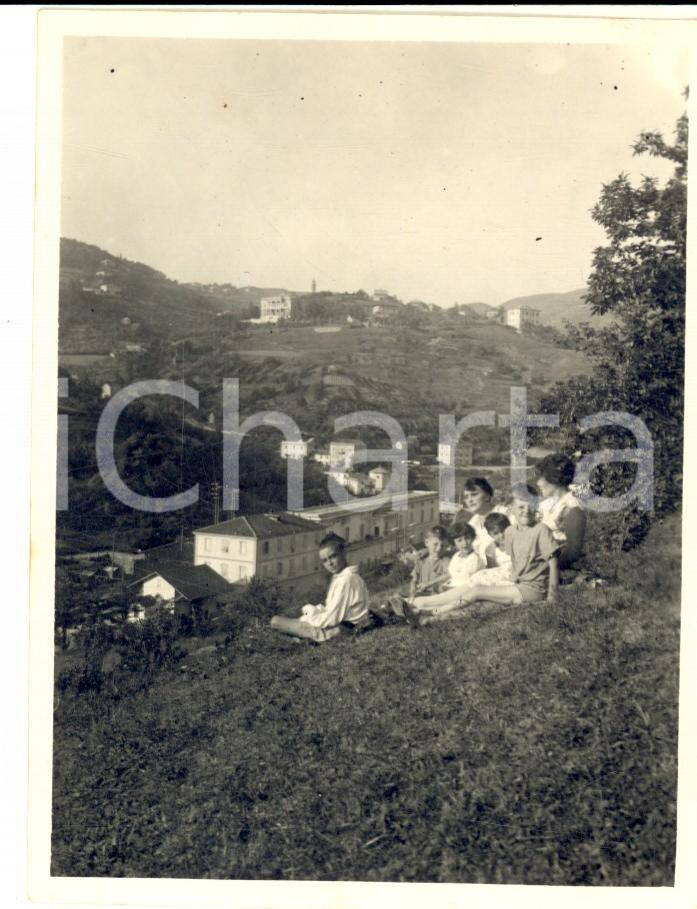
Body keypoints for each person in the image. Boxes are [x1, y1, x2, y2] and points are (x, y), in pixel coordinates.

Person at [405, 484, 560, 625]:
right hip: (517, 585)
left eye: (531, 506)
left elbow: (553, 563)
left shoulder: (541, 530)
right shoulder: (511, 532)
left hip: (533, 589)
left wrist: (552, 597)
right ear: (511, 508)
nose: (526, 511)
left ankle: (432, 611)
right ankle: (427, 618)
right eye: (521, 507)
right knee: (482, 605)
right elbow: (516, 561)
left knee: (478, 590)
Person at [270, 534, 372, 642]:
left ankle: (303, 638)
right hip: (345, 626)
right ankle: (299, 637)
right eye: (325, 560)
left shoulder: (346, 580)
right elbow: (333, 610)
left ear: (343, 553)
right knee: (295, 619)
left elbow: (333, 618)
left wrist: (308, 619)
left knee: (275, 621)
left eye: (333, 556)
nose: (330, 563)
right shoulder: (347, 576)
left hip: (340, 630)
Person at [534, 453, 587, 574]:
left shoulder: (572, 507)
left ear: (553, 479)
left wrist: (544, 569)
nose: (537, 483)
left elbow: (573, 552)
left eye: (540, 478)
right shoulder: (553, 503)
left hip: (557, 569)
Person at [459, 477, 512, 564]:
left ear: (487, 496)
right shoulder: (472, 524)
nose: (470, 500)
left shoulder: (506, 514)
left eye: (474, 494)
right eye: (466, 497)